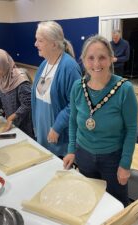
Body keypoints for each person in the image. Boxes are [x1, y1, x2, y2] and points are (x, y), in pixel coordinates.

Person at [63, 35, 138, 207]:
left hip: (113, 159)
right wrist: (71, 150)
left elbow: (132, 130)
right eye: (90, 58)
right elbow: (73, 121)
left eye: (102, 57)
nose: (96, 64)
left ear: (111, 58)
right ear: (82, 60)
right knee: (91, 200)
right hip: (84, 155)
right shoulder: (77, 87)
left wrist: (125, 164)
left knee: (117, 205)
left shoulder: (124, 89)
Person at [32, 21, 81, 158]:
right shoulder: (43, 64)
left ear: (53, 44)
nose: (35, 44)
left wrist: (57, 127)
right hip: (43, 133)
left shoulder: (69, 67)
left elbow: (76, 103)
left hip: (59, 138)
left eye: (40, 40)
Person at [0, 49, 34, 139]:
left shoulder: (20, 80)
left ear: (5, 65)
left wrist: (11, 117)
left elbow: (27, 104)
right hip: (11, 121)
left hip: (24, 122)